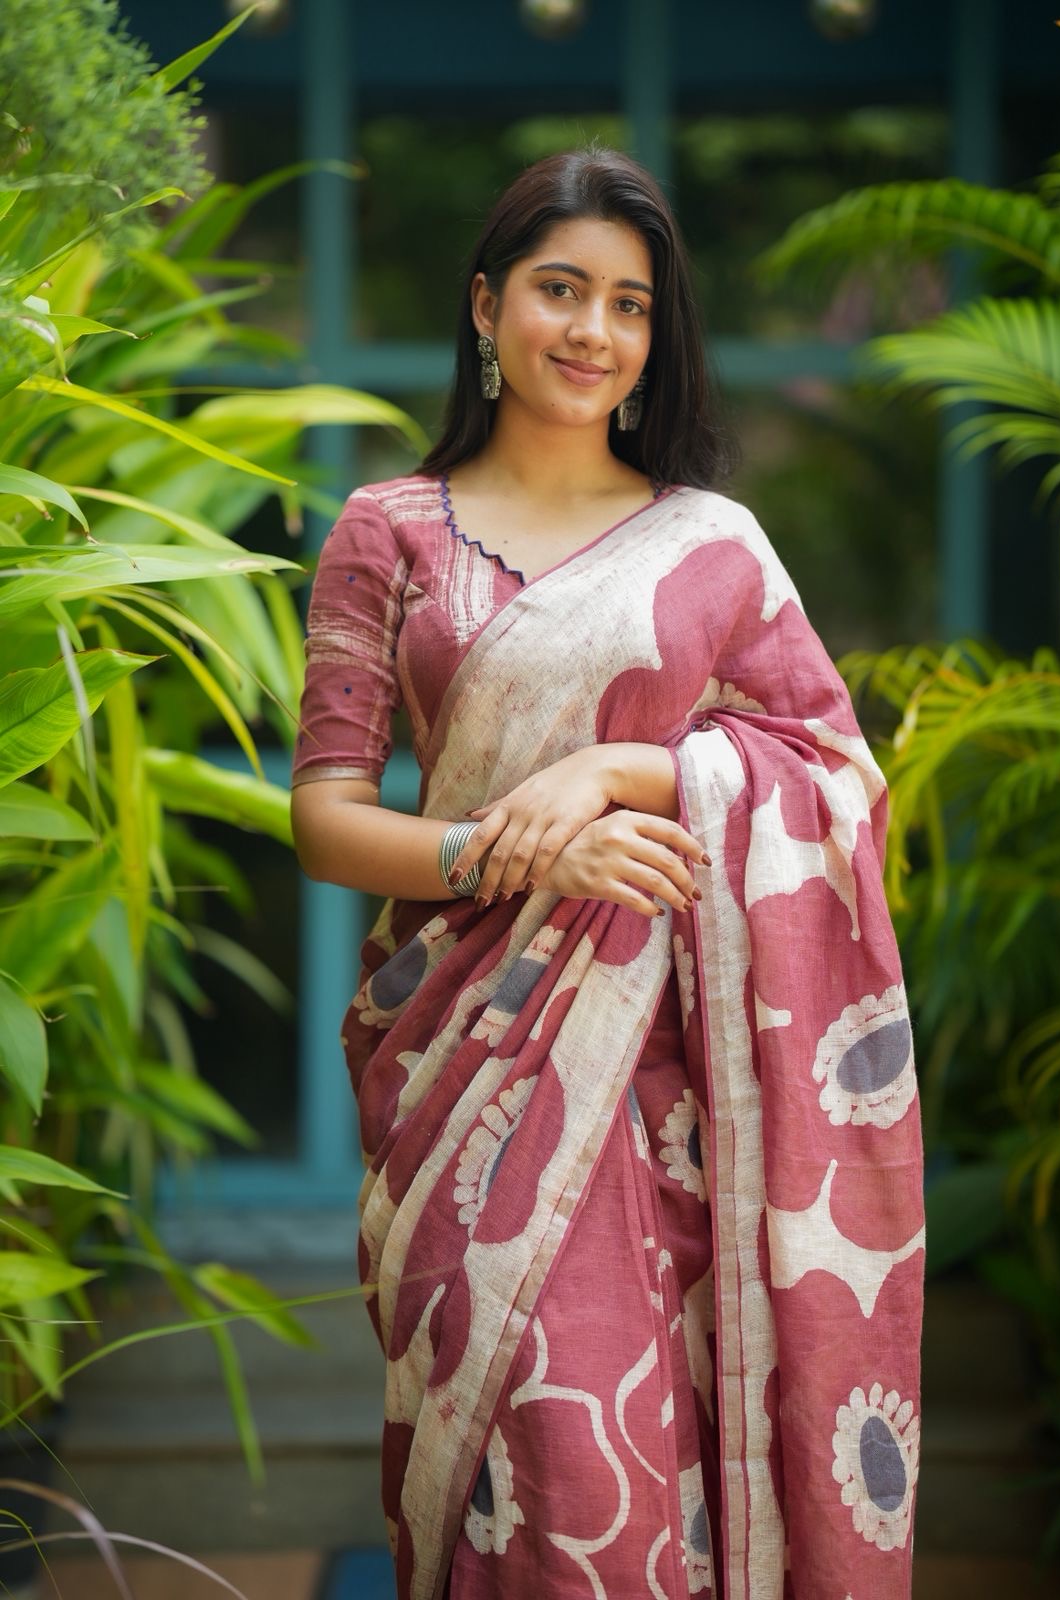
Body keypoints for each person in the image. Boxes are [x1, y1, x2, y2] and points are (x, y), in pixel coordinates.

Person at [290, 145, 926, 1600]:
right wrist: (503, 849)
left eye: (629, 305)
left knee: (653, 1480)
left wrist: (621, 772)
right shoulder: (391, 529)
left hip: (675, 1093)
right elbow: (326, 818)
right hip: (464, 1068)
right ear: (485, 306)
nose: (592, 331)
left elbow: (836, 779)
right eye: (559, 290)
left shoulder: (714, 546)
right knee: (533, 1468)